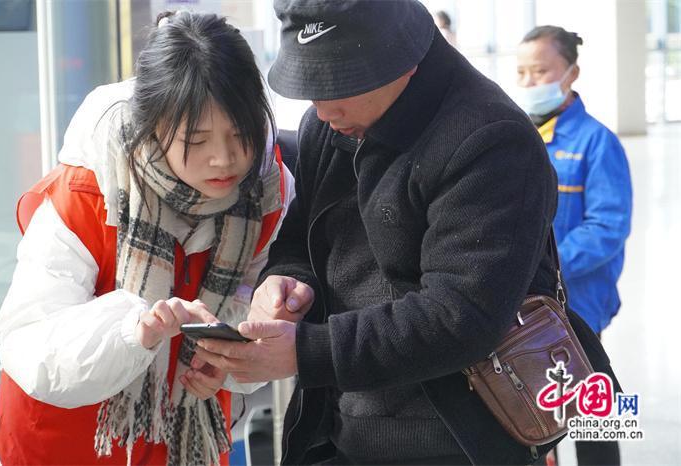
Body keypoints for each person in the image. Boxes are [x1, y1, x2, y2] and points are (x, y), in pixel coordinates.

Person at [193, 1, 620, 465]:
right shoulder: (329, 126)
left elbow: (460, 315)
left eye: (340, 83)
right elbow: (299, 238)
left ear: (402, 55)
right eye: (311, 85)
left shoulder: (493, 140)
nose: (322, 107)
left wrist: (307, 352)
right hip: (336, 427)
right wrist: (286, 282)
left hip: (454, 440)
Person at [0, 11, 294, 466]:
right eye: (197, 140)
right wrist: (133, 331)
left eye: (240, 133)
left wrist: (237, 353)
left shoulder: (267, 193)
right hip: (63, 448)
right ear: (153, 126)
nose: (224, 158)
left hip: (184, 447)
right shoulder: (89, 189)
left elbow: (244, 312)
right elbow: (28, 344)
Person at [515, 25, 633, 466]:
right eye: (522, 72)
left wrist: (547, 265)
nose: (530, 82)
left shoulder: (596, 142)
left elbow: (607, 227)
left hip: (579, 304)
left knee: (592, 414)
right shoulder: (518, 137)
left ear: (572, 73)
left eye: (541, 71)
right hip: (529, 304)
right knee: (536, 414)